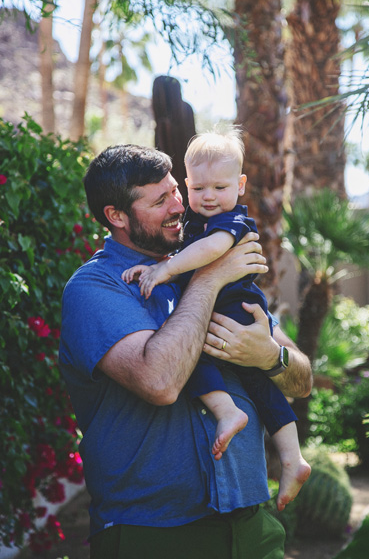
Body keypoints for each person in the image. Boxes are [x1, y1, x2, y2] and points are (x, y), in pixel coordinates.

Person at [59, 144, 313, 559]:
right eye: (161, 200)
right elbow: (160, 382)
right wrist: (209, 279)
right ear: (116, 216)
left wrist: (269, 356)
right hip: (154, 532)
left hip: (251, 525)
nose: (181, 205)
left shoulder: (208, 256)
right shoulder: (95, 288)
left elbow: (300, 380)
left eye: (176, 190)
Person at [121, 128, 310, 510]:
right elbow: (189, 254)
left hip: (235, 313)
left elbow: (210, 251)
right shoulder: (192, 226)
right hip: (226, 314)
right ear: (188, 185)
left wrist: (166, 270)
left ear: (240, 186)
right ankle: (293, 459)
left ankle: (231, 415)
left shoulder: (233, 222)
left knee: (198, 356)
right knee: (261, 388)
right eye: (199, 188)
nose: (209, 197)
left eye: (220, 188)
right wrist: (151, 266)